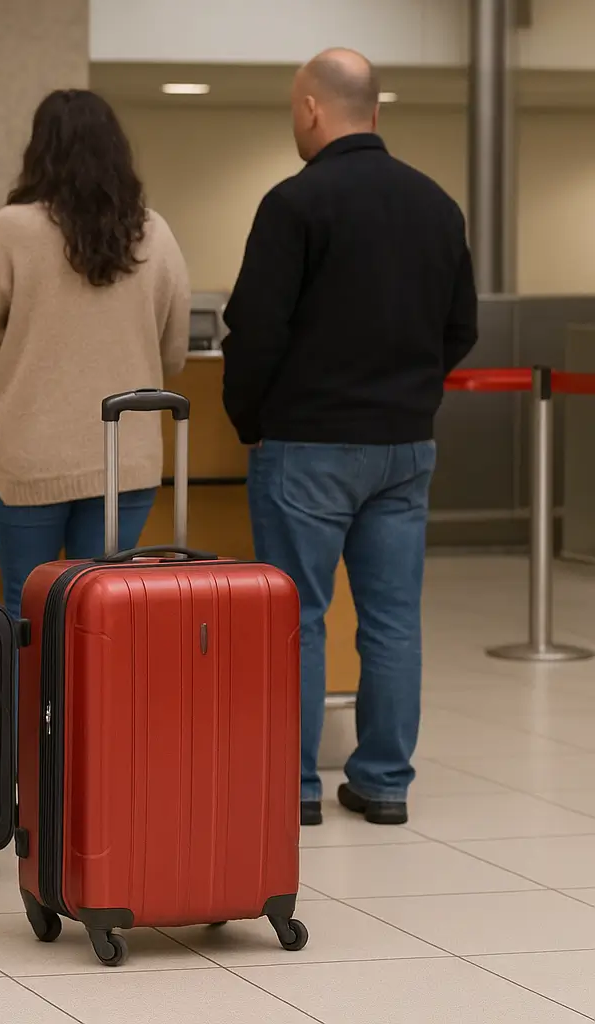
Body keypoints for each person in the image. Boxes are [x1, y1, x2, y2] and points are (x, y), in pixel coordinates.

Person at [222, 48, 478, 828]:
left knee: (296, 614)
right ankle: (383, 782)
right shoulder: (438, 205)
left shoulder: (295, 204)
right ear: (377, 111)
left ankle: (296, 786)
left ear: (310, 109)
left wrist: (252, 422)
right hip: (405, 446)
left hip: (308, 444)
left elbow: (254, 332)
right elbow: (462, 329)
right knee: (392, 619)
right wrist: (408, 393)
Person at [0, 89, 190, 618]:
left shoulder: (12, 227)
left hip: (30, 453)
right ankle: (94, 707)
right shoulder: (155, 231)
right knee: (104, 614)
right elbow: (174, 354)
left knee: (28, 604)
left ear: (39, 151)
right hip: (125, 454)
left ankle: (34, 705)